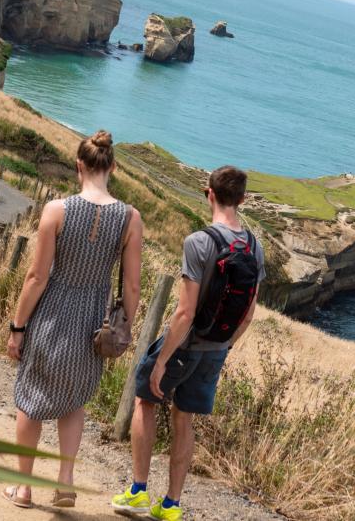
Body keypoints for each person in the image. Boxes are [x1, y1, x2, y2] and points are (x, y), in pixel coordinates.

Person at [112, 166, 265, 521]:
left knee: (145, 401)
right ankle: (171, 506)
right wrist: (225, 347)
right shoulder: (255, 249)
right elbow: (248, 314)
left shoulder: (200, 242)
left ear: (207, 192)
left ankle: (137, 491)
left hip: (185, 345)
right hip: (217, 349)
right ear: (242, 199)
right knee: (185, 418)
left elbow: (185, 311)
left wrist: (163, 359)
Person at [2, 131, 143, 509]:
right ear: (112, 167)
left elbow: (37, 277)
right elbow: (132, 284)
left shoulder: (56, 211)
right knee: (74, 399)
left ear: (78, 166)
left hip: (51, 314)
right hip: (93, 324)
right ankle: (65, 479)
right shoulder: (131, 218)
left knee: (30, 398)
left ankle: (23, 487)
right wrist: (125, 327)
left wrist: (17, 327)